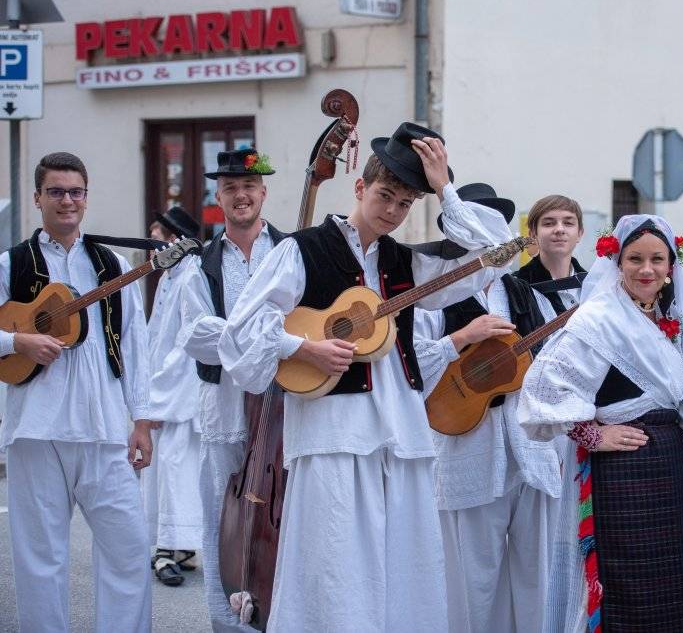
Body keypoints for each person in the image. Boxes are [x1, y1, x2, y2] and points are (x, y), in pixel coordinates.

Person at [218, 123, 514, 632]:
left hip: (401, 435)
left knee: (408, 567)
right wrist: (303, 347)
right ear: (359, 188)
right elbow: (239, 334)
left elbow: (497, 254)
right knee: (334, 568)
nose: (394, 211)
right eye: (385, 196)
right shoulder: (303, 250)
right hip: (334, 432)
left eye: (405, 203)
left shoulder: (410, 263)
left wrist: (445, 189)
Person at [518, 214, 683, 632]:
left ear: (670, 267)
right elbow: (544, 391)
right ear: (617, 262)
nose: (647, 270)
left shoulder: (675, 318)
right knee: (625, 582)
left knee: (675, 580)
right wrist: (592, 433)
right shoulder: (599, 318)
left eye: (657, 260)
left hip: (670, 467)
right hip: (620, 472)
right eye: (636, 259)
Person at [0, 152, 154, 632]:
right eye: (56, 192)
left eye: (76, 192)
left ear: (86, 198)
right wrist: (17, 340)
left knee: (130, 552)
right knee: (41, 561)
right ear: (37, 198)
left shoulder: (112, 265)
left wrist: (142, 421)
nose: (67, 201)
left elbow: (136, 346)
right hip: (36, 429)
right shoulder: (13, 263)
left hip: (105, 429)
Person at [414, 191, 581, 633]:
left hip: (531, 446)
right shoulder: (433, 298)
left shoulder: (528, 294)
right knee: (472, 576)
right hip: (467, 442)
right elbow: (411, 369)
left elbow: (558, 368)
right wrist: (462, 338)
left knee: (538, 570)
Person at [177, 148, 288, 631]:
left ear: (263, 193)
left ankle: (280, 618)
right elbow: (196, 337)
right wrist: (266, 339)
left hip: (286, 413)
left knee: (284, 524)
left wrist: (236, 336)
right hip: (223, 411)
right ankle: (227, 624)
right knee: (221, 526)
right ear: (217, 197)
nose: (241, 195)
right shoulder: (200, 264)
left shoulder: (291, 251)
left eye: (249, 187)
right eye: (230, 188)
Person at [141, 206, 205, 587]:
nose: (152, 247)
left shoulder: (188, 277)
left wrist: (157, 399)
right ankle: (173, 545)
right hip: (165, 391)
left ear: (173, 240)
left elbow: (184, 345)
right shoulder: (168, 276)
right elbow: (156, 339)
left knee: (175, 469)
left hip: (180, 395)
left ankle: (170, 549)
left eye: (156, 238)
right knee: (167, 471)